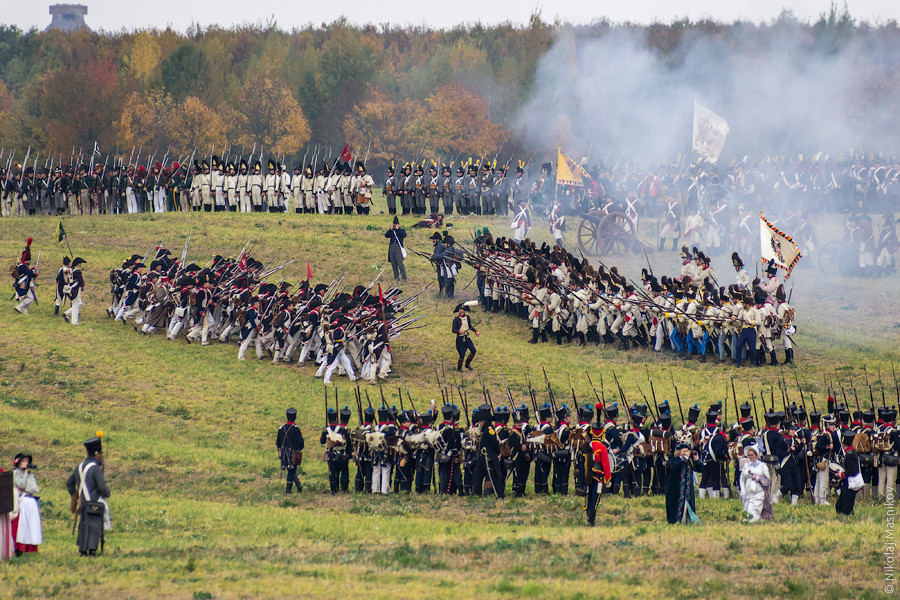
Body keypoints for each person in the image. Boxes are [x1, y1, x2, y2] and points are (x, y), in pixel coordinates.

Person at [65, 436, 111, 556]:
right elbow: (102, 487)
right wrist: (107, 493)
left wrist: (75, 495)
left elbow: (69, 483)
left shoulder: (79, 467)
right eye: (100, 454)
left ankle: (83, 550)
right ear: (96, 454)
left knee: (84, 525)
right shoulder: (95, 468)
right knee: (94, 526)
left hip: (83, 503)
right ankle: (91, 551)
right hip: (95, 502)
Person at [585, 404, 612, 526]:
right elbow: (605, 465)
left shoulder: (587, 445)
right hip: (598, 476)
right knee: (595, 499)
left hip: (588, 475)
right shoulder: (602, 447)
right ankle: (591, 519)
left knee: (589, 495)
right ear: (602, 433)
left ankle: (588, 515)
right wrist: (608, 479)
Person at [12, 454, 41, 555]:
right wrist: (24, 475)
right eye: (24, 461)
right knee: (20, 525)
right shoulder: (15, 473)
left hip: (30, 500)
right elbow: (21, 484)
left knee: (30, 525)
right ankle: (17, 547)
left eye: (27, 461)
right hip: (21, 501)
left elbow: (35, 488)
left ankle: (28, 547)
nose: (26, 463)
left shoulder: (29, 474)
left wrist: (27, 476)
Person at [666, 442, 700, 524]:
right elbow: (674, 466)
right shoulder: (674, 460)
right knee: (676, 506)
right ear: (679, 452)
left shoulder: (689, 461)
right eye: (684, 451)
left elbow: (700, 469)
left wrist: (696, 459)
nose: (687, 453)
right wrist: (684, 458)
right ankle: (676, 521)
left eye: (687, 451)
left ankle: (687, 520)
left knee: (688, 505)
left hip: (687, 489)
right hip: (676, 489)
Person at [740, 445, 773, 523]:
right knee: (746, 512)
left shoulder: (762, 466)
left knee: (754, 511)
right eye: (749, 455)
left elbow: (768, 481)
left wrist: (758, 478)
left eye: (752, 455)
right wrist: (743, 491)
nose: (750, 457)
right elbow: (742, 479)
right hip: (748, 494)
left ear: (756, 455)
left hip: (758, 493)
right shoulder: (746, 465)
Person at [276, 408, 304, 494]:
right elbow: (301, 443)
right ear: (295, 417)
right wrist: (298, 449)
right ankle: (288, 489)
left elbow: (278, 443)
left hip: (284, 453)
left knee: (291, 470)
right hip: (293, 453)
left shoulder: (281, 429)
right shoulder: (296, 429)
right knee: (292, 470)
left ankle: (299, 487)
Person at [836, 429, 861, 515]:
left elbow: (852, 470)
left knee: (846, 507)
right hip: (848, 482)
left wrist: (842, 474)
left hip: (850, 482)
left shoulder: (850, 454)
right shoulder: (851, 452)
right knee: (839, 506)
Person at [13, 238, 38, 315]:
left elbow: (27, 272)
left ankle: (25, 311)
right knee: (30, 298)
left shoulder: (23, 266)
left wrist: (33, 269)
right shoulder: (23, 267)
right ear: (27, 260)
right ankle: (19, 307)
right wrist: (35, 274)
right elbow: (29, 274)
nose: (29, 262)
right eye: (29, 260)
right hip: (22, 285)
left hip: (24, 284)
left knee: (29, 297)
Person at [452, 302, 479, 372]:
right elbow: (453, 330)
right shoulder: (456, 320)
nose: (461, 311)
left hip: (467, 337)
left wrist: (476, 331)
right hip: (460, 338)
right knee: (462, 354)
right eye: (460, 309)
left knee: (473, 350)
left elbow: (470, 326)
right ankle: (459, 368)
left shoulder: (467, 317)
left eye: (462, 309)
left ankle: (467, 364)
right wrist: (459, 332)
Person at [63, 257, 86, 325]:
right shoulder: (77, 272)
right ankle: (74, 321)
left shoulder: (70, 270)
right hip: (76, 289)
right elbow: (80, 282)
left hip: (70, 288)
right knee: (76, 304)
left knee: (78, 303)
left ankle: (67, 314)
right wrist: (83, 281)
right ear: (77, 264)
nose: (81, 265)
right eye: (80, 263)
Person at [384, 217, 407, 282]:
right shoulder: (391, 231)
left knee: (400, 263)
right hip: (392, 247)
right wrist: (390, 229)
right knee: (393, 263)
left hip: (398, 247)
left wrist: (398, 229)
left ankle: (404, 277)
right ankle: (396, 278)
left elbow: (404, 235)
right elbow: (386, 235)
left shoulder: (401, 230)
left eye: (396, 224)